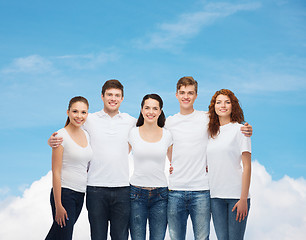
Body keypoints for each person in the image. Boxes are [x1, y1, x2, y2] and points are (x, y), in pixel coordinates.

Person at [165, 77, 252, 240]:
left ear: (196, 95)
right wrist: (172, 162)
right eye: (182, 92)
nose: (186, 96)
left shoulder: (207, 119)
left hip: (202, 191)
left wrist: (246, 127)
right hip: (178, 190)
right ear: (176, 95)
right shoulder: (169, 122)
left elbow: (228, 126)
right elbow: (161, 141)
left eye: (190, 93)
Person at [48, 80, 136, 240]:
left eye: (117, 95)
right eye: (109, 94)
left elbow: (150, 131)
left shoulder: (130, 121)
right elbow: (69, 130)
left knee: (120, 236)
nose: (113, 98)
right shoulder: (89, 119)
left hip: (122, 188)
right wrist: (52, 141)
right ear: (102, 96)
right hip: (95, 189)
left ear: (122, 98)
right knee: (96, 236)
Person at [46, 96, 93, 240]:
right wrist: (59, 205)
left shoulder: (86, 134)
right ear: (68, 112)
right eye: (75, 111)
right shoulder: (60, 136)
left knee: (57, 235)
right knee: (64, 236)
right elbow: (56, 172)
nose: (79, 116)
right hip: (65, 194)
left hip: (80, 194)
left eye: (83, 112)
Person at [207, 89, 251, 240]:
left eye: (227, 102)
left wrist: (243, 198)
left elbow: (247, 167)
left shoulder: (241, 130)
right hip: (215, 197)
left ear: (233, 106)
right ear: (214, 107)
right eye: (218, 102)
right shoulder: (210, 133)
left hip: (236, 197)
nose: (223, 105)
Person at [128, 94, 173, 240]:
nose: (151, 112)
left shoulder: (167, 135)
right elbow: (119, 156)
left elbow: (176, 162)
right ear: (141, 110)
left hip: (160, 195)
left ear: (160, 111)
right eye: (147, 108)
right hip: (136, 194)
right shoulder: (133, 133)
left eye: (155, 108)